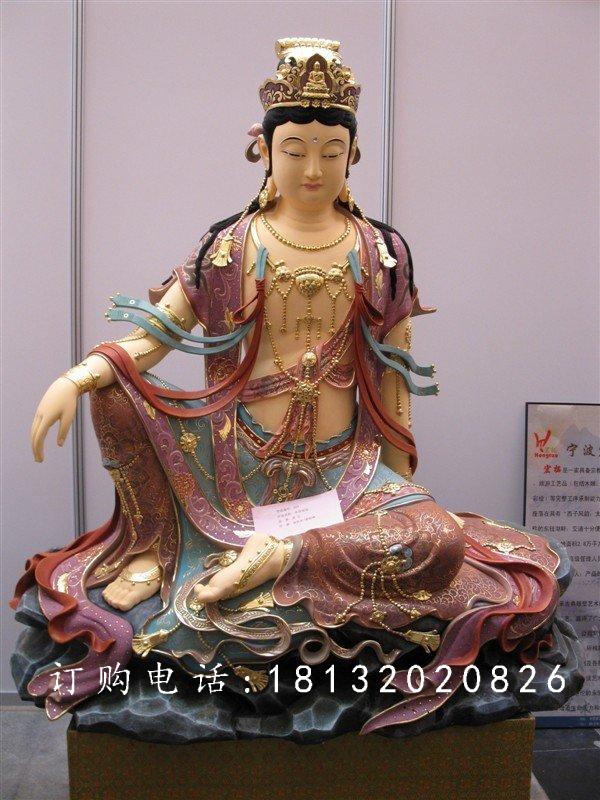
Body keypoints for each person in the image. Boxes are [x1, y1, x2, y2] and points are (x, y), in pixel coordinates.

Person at [10, 38, 576, 734]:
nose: (312, 169)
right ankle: (158, 546)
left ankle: (277, 557)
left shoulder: (381, 254)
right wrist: (77, 376)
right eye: (296, 149)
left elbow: (393, 380)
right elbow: (154, 337)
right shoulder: (228, 247)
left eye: (331, 152)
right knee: (112, 390)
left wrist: (400, 494)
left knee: (440, 541)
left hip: (344, 471)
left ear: (352, 156)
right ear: (265, 152)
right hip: (231, 461)